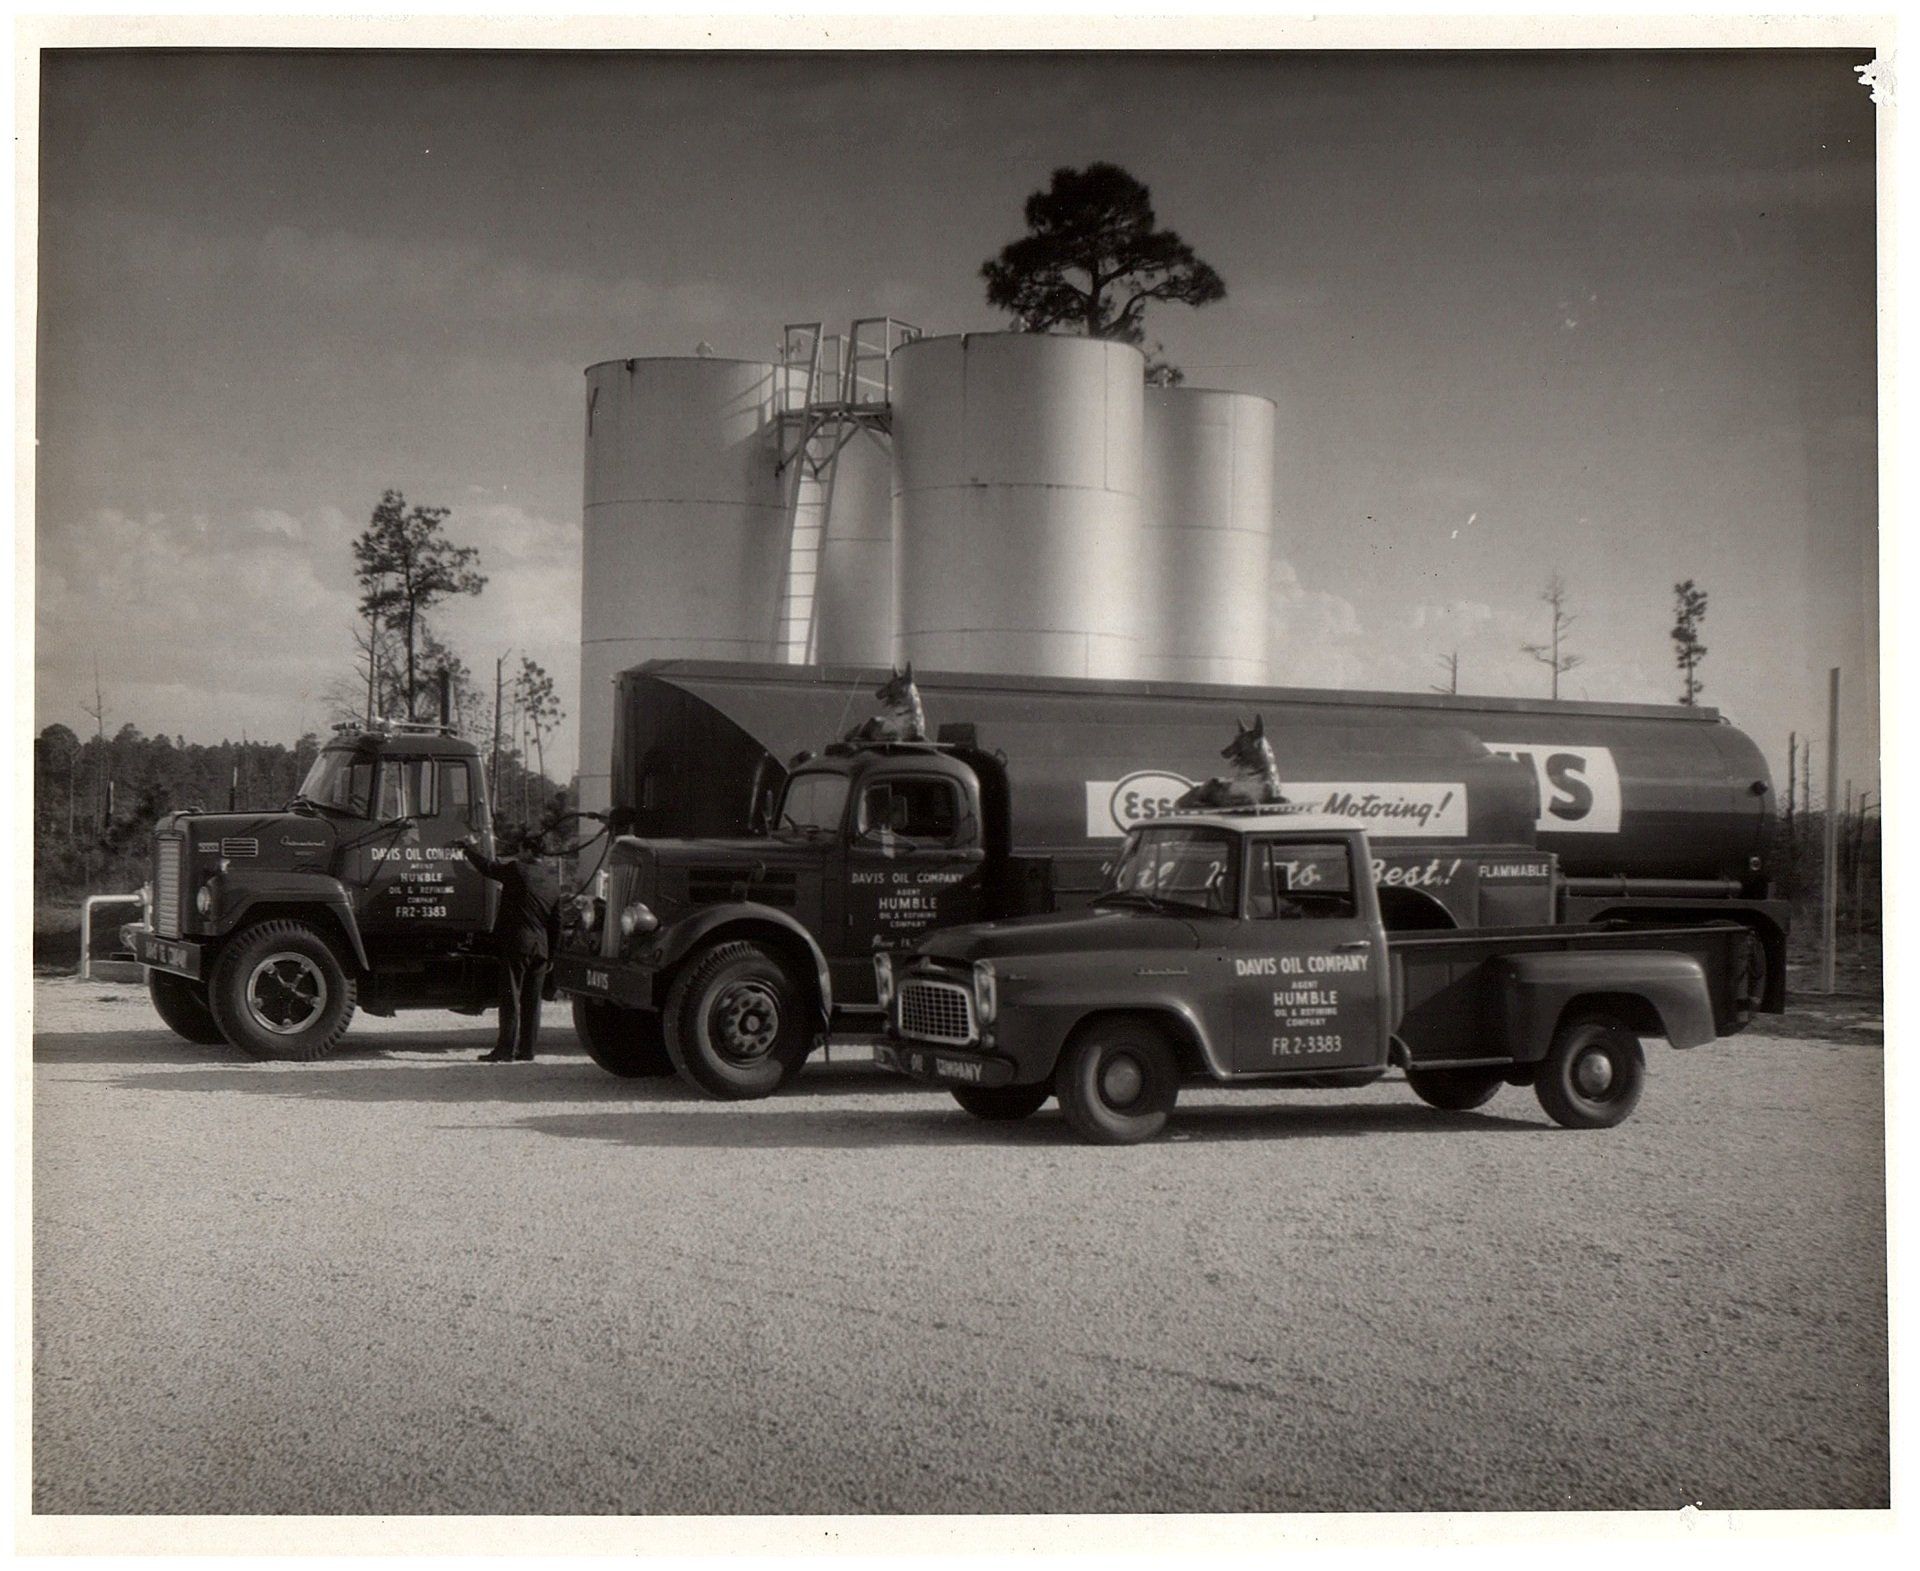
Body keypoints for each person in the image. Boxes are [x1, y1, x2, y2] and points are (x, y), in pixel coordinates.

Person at [457, 828, 562, 1063]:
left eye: (520, 849)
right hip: (541, 947)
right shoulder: (552, 881)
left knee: (510, 997)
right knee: (532, 1002)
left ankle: (504, 1050)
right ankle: (527, 1050)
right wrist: (551, 955)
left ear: (527, 850)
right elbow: (557, 922)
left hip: (517, 943)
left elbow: (488, 868)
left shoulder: (517, 870)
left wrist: (467, 849)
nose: (518, 853)